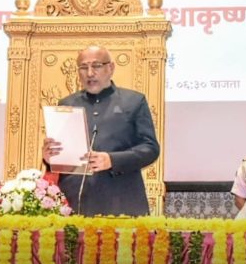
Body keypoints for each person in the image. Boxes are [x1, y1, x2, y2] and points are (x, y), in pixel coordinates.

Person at [42, 45, 160, 216]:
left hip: (120, 201)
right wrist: (49, 157)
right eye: (83, 67)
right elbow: (62, 157)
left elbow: (150, 148)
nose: (90, 73)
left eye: (96, 66)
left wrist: (111, 160)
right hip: (73, 201)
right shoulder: (66, 104)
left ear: (110, 68)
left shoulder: (133, 101)